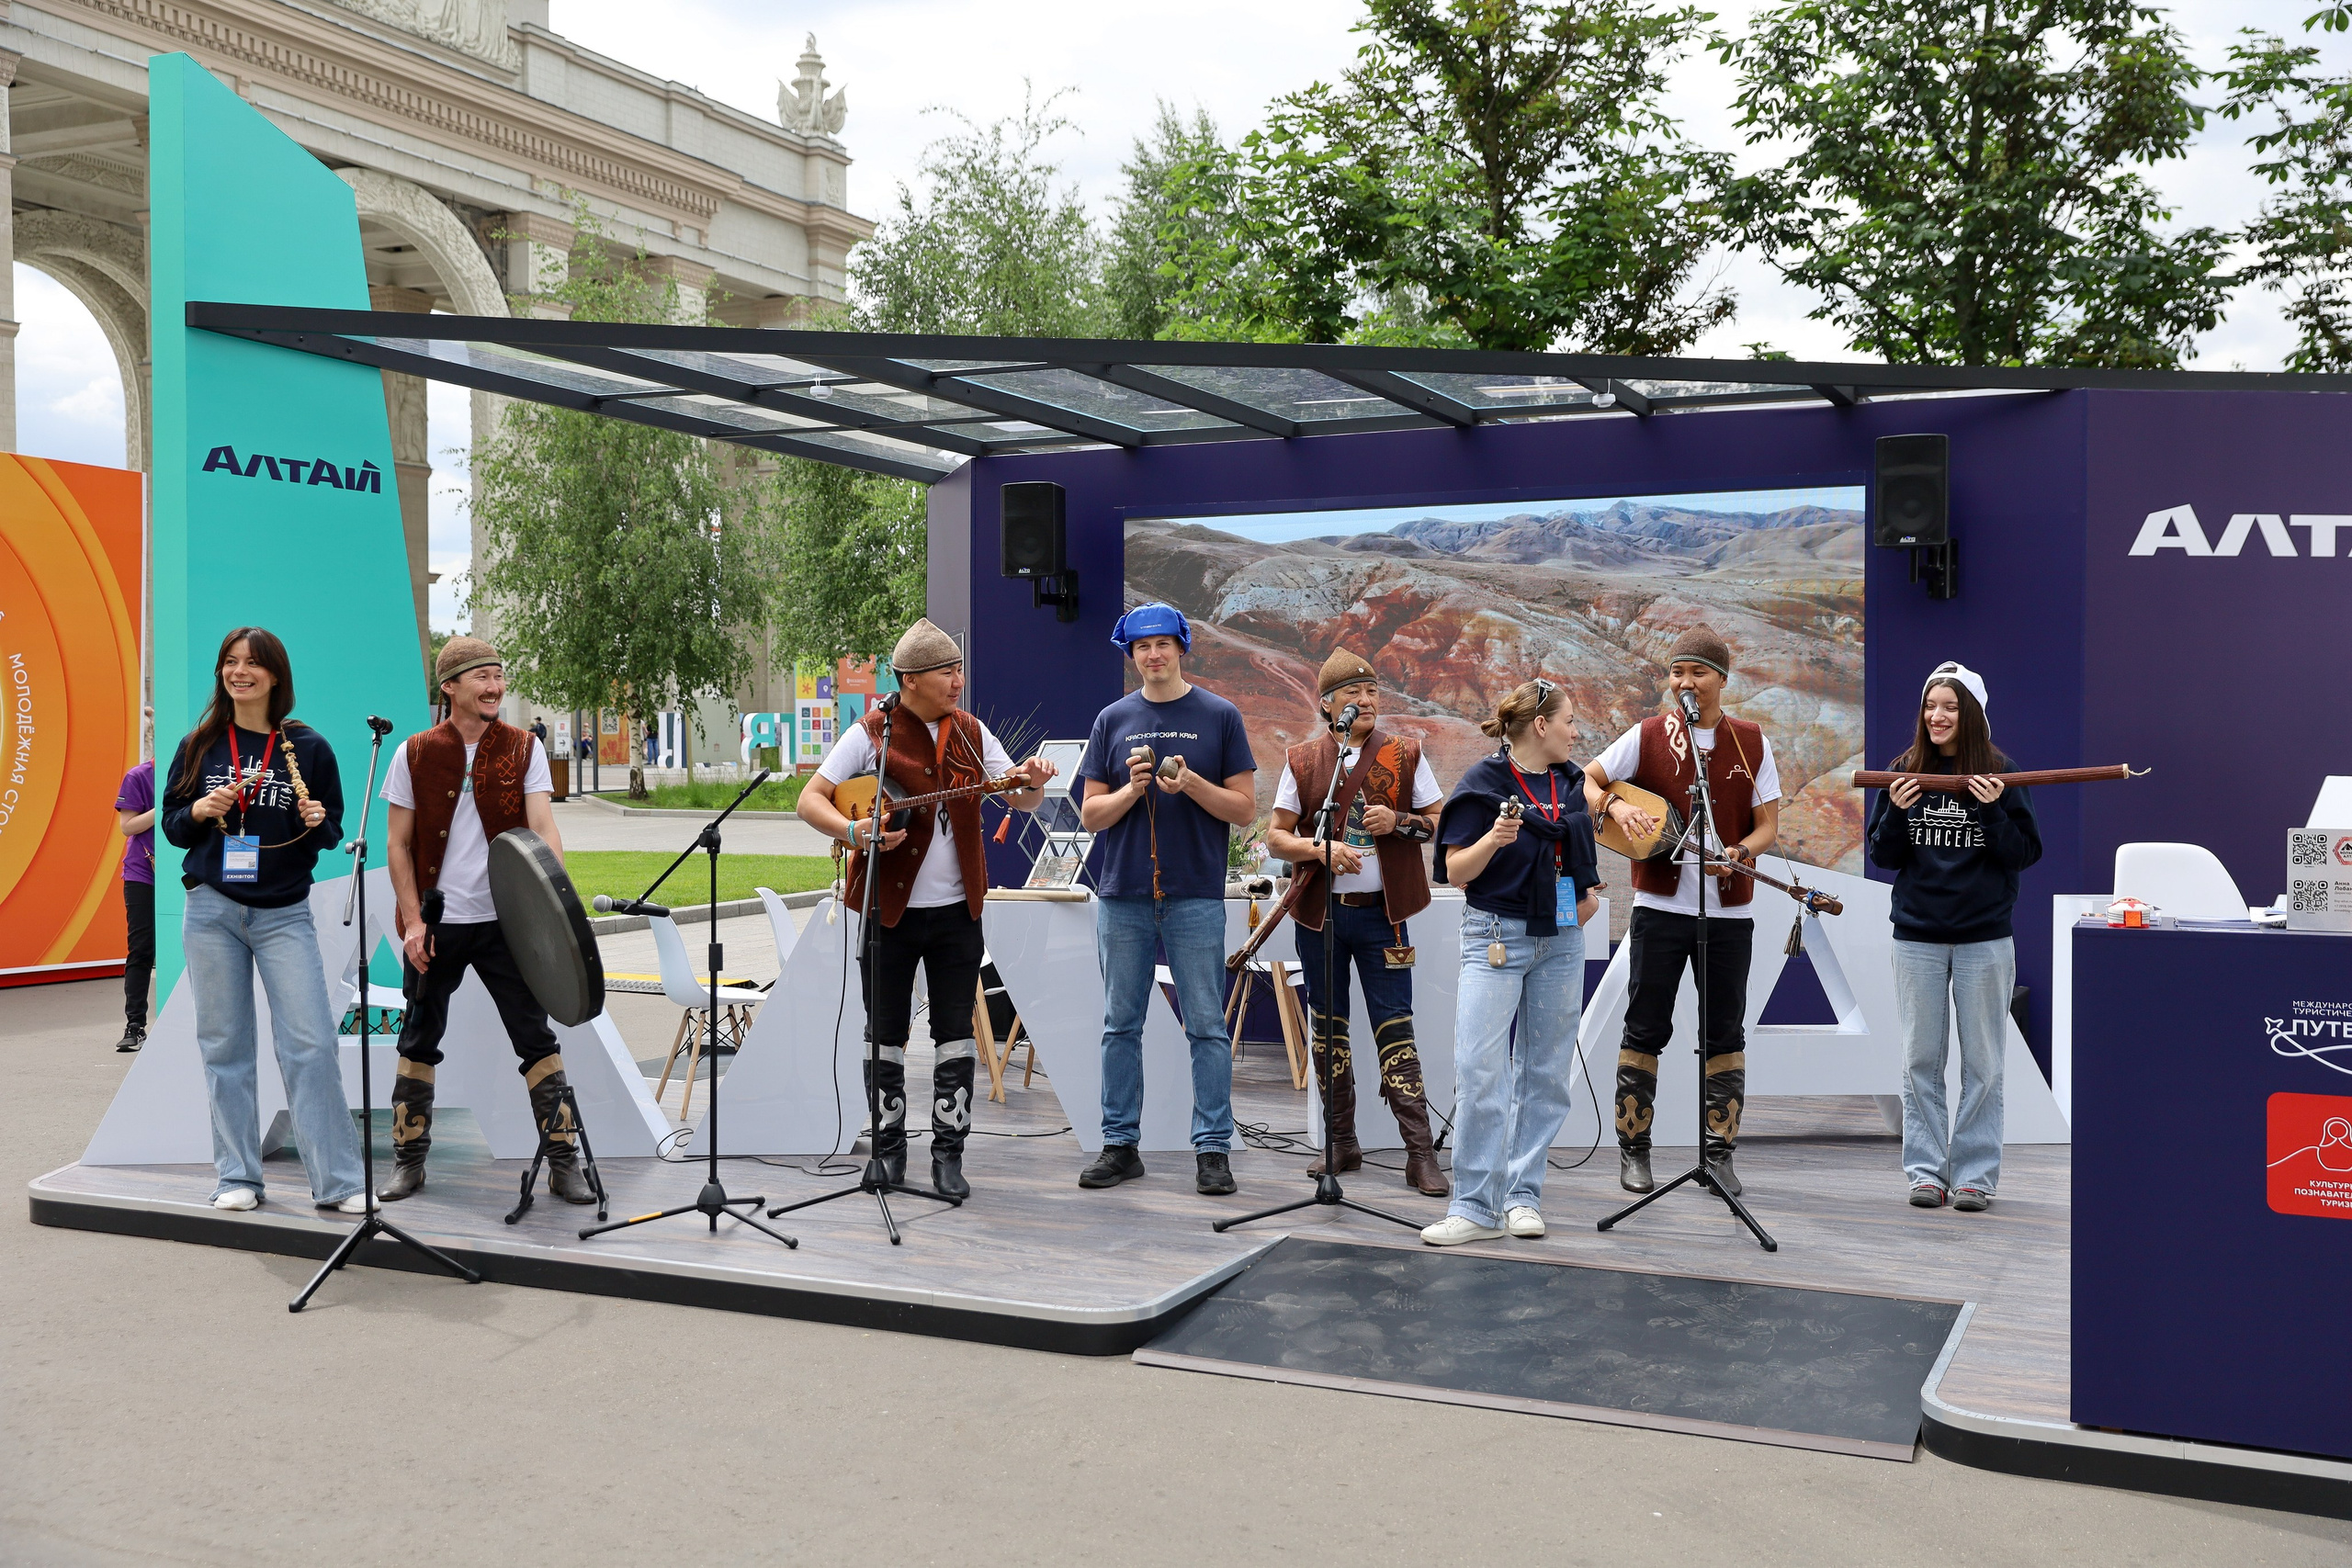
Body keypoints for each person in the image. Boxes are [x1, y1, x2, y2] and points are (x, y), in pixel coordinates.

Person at [798, 619, 1055, 1200]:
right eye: (947, 671)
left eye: (960, 669)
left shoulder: (971, 731)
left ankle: (948, 1155)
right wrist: (855, 831)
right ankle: (888, 1154)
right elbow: (809, 800)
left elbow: (1020, 796)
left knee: (954, 1035)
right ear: (911, 679)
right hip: (887, 913)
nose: (958, 681)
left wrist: (1032, 783)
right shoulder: (870, 733)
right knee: (883, 1034)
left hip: (957, 913)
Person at [159, 627, 366, 1214]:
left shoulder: (309, 747)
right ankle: (238, 1177)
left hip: (283, 916)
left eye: (252, 663)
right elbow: (175, 827)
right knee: (224, 1046)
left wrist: (316, 816)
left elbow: (328, 836)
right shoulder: (201, 744)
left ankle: (341, 1184)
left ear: (275, 675)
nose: (239, 671)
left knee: (311, 1044)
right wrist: (200, 808)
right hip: (211, 911)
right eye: (230, 662)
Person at [377, 637, 591, 1203]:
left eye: (499, 676)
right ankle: (408, 1161)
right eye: (482, 678)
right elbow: (396, 845)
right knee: (418, 1039)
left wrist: (551, 911)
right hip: (438, 923)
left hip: (508, 923)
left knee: (536, 1039)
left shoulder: (524, 748)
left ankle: (564, 1161)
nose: (495, 687)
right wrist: (413, 922)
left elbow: (544, 828)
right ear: (450, 687)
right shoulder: (414, 753)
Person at [1583, 626, 1781, 1199]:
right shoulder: (1646, 735)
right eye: (1677, 672)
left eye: (1697, 672)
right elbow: (1588, 780)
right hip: (1659, 908)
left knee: (1724, 1029)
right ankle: (1634, 1152)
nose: (1684, 683)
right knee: (1646, 1024)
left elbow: (1768, 825)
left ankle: (1719, 1156)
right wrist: (1616, 807)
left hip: (1728, 913)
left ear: (1722, 678)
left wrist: (1742, 853)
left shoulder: (1750, 740)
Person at [1075, 603, 1258, 1197]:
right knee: (1118, 1025)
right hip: (1121, 894)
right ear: (1130, 654)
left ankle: (1212, 1150)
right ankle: (1120, 1145)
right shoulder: (1112, 719)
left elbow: (1245, 809)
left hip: (1197, 896)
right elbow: (1091, 813)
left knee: (1206, 1025)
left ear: (1182, 647)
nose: (1152, 655)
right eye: (1141, 646)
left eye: (1162, 644)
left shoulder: (1220, 715)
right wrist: (1133, 788)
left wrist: (1192, 784)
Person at [1420, 680, 1600, 1245]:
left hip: (1561, 940)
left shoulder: (1572, 786)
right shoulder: (1483, 784)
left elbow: (1583, 873)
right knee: (1481, 1072)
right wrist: (1495, 840)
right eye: (1570, 720)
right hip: (1494, 934)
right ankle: (1473, 1206)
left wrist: (1580, 909)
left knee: (1545, 1074)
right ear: (1541, 726)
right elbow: (1455, 873)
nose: (1577, 731)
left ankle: (1523, 1197)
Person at [1266, 649, 1449, 1195]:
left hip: (1385, 918)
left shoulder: (1406, 752)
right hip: (1320, 919)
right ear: (1328, 705)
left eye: (1371, 690)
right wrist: (1320, 851)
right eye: (1353, 693)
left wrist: (1398, 822)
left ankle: (1420, 1155)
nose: (1366, 700)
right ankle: (1341, 1143)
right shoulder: (1302, 760)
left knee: (1396, 1029)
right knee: (1328, 1030)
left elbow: (1437, 824)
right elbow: (1276, 836)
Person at [1865, 661, 2041, 1213]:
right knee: (1920, 1058)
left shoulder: (2002, 774)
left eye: (1951, 707)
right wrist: (1895, 812)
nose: (1938, 716)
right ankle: (1925, 1172)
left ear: (1973, 716)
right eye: (1930, 705)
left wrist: (1990, 813)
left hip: (1984, 939)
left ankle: (1975, 1176)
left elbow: (2025, 854)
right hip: (1916, 937)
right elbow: (1884, 855)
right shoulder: (1904, 771)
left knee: (1984, 1064)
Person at [113, 720, 156, 1053]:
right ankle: (135, 1025)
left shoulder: (196, 774)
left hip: (189, 873)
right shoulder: (139, 776)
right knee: (141, 948)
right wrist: (164, 809)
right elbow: (127, 827)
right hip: (143, 873)